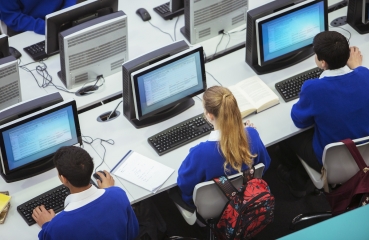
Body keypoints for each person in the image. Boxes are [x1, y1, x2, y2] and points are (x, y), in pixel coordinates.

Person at [278, 31, 369, 198]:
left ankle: (296, 181)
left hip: (334, 164)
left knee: (287, 137)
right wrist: (357, 67)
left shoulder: (313, 88)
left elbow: (299, 120)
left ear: (322, 62)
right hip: (365, 156)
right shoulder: (365, 74)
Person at [177, 86, 271, 207]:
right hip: (249, 197)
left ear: (210, 116)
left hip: (212, 207)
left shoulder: (200, 153)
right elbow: (265, 165)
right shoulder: (252, 134)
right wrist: (248, 132)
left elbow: (184, 185)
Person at [32, 146, 139, 240]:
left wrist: (47, 225)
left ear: (63, 179)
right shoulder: (118, 194)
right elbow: (133, 232)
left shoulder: (57, 226)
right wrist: (109, 191)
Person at [0, 0, 76, 35]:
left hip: (62, 18)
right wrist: (47, 27)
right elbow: (13, 17)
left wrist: (65, 14)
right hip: (29, 28)